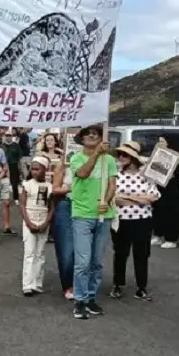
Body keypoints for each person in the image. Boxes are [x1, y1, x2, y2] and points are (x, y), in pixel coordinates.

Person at [69, 124, 116, 319]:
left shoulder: (110, 160)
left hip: (104, 215)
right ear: (81, 139)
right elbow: (82, 173)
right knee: (83, 262)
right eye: (88, 134)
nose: (91, 136)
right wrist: (96, 154)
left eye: (95, 134)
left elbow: (112, 183)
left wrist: (107, 200)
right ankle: (79, 299)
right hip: (82, 214)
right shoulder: (76, 158)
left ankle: (90, 297)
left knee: (97, 262)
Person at [108, 141, 160, 301]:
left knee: (142, 254)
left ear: (133, 157)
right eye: (120, 154)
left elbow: (152, 197)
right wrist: (139, 198)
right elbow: (114, 198)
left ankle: (141, 286)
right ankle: (118, 284)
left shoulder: (146, 175)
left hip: (143, 220)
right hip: (121, 220)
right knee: (121, 253)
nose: (121, 157)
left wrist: (128, 197)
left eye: (125, 155)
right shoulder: (116, 174)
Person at [19, 156, 54, 296]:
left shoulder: (50, 187)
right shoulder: (27, 184)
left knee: (40, 254)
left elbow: (52, 207)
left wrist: (46, 223)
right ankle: (27, 284)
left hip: (43, 221)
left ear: (45, 169)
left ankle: (38, 283)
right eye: (32, 169)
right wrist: (28, 222)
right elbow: (22, 204)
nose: (34, 172)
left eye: (37, 169)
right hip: (29, 220)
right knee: (29, 253)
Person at [151, 135, 179, 249]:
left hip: (171, 191)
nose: (160, 143)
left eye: (162, 141)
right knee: (158, 211)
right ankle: (158, 235)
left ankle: (171, 239)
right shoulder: (156, 156)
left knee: (171, 213)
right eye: (159, 141)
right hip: (158, 189)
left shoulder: (174, 157)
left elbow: (171, 175)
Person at [51, 161, 75, 300]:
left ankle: (81, 282)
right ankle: (68, 284)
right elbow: (55, 189)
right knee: (66, 249)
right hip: (67, 204)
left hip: (87, 206)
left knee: (84, 250)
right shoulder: (64, 164)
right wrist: (72, 188)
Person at [0, 130, 23, 235]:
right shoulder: (1, 146)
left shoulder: (16, 146)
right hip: (2, 168)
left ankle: (16, 198)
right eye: (7, 135)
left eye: (10, 135)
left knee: (14, 183)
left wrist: (21, 168)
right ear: (4, 136)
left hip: (13, 166)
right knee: (3, 185)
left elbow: (20, 158)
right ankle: (3, 198)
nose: (8, 137)